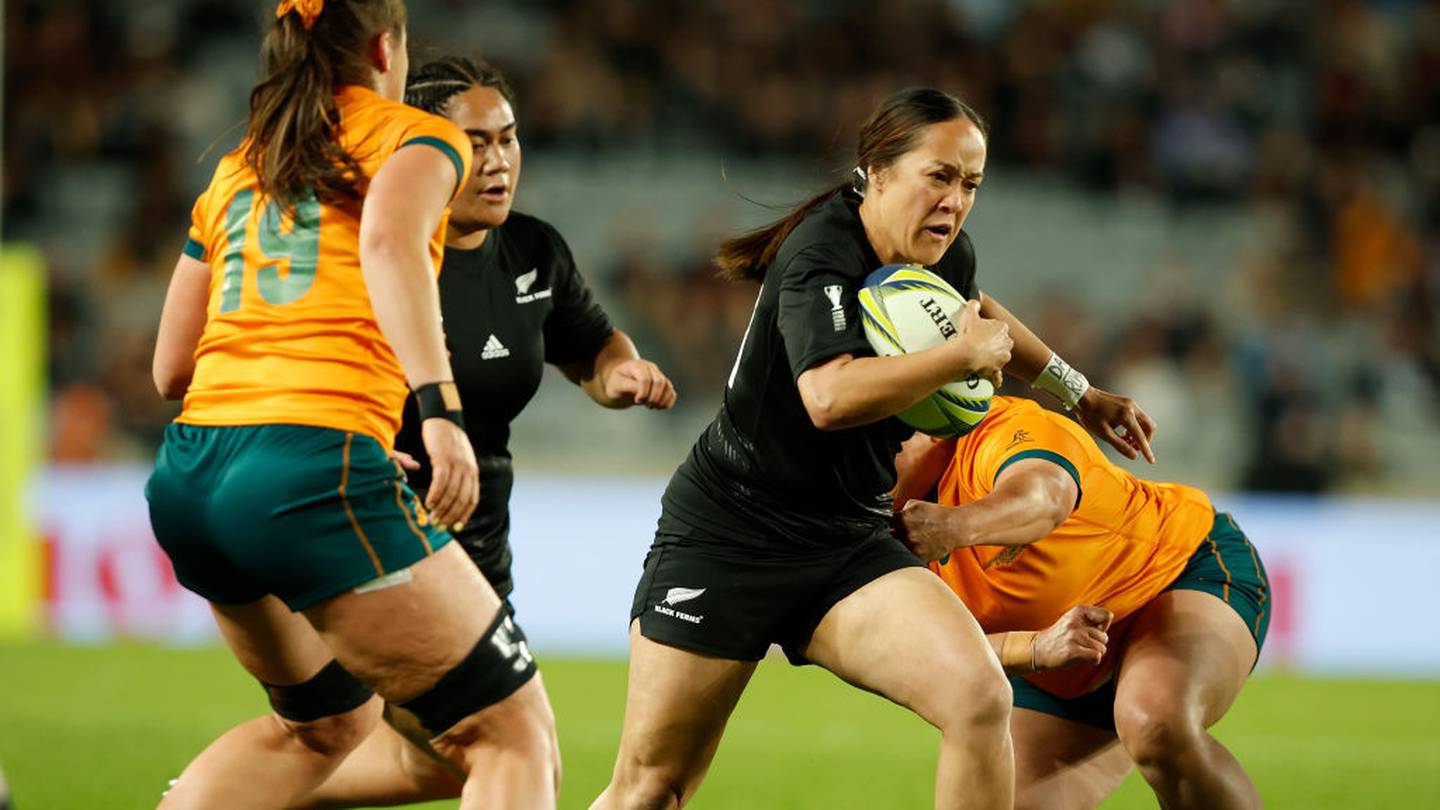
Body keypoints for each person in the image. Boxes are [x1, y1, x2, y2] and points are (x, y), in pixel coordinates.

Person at [592, 87, 1156, 810]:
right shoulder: (819, 255)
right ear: (878, 171)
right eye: (941, 176)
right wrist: (957, 358)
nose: (956, 201)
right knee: (652, 789)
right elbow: (827, 399)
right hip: (728, 535)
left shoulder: (940, 255)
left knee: (980, 699)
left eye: (972, 184)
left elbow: (982, 315)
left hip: (844, 542)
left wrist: (1080, 392)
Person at [145, 3, 557, 808]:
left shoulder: (239, 168)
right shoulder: (414, 135)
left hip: (191, 476)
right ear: (385, 46)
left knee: (325, 727)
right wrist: (438, 413)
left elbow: (169, 369)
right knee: (510, 735)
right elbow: (388, 242)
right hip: (306, 468)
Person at [293, 55, 676, 808]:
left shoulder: (533, 252)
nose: (498, 161)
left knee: (437, 759)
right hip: (376, 534)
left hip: (477, 546)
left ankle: (241, 796)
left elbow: (590, 348)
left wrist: (621, 372)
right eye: (476, 143)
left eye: (509, 139)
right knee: (511, 743)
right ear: (424, 154)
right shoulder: (378, 255)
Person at [892, 395, 1269, 810]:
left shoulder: (999, 429)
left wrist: (956, 526)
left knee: (1154, 720)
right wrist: (1038, 648)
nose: (869, 465)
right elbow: (934, 653)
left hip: (1175, 568)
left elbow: (1044, 500)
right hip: (1059, 661)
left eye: (885, 442)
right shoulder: (862, 524)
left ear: (927, 427)